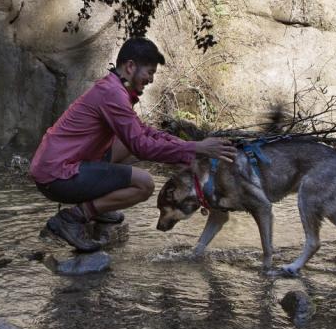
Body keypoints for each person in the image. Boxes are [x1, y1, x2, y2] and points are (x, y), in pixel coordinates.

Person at [29, 37, 237, 252]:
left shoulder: (114, 89)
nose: (151, 79)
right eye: (149, 72)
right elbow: (142, 147)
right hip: (57, 176)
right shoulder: (112, 94)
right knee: (144, 184)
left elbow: (145, 132)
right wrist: (195, 148)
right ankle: (73, 218)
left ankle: (98, 208)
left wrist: (192, 146)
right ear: (130, 67)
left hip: (56, 168)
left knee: (126, 144)